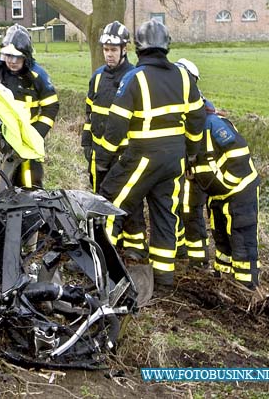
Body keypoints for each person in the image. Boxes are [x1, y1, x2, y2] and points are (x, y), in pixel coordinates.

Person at [98, 19, 205, 290]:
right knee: (166, 216)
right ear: (167, 46)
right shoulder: (183, 76)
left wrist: (104, 159)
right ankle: (164, 281)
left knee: (110, 202)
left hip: (143, 155)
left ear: (137, 48)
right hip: (175, 159)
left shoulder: (134, 77)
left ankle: (98, 265)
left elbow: (116, 124)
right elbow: (196, 119)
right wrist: (191, 153)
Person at [81, 21, 147, 258]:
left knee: (129, 200)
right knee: (100, 199)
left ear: (124, 49)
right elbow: (90, 113)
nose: (109, 54)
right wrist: (87, 142)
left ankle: (135, 247)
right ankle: (106, 245)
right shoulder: (97, 77)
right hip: (99, 150)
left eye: (113, 49)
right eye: (106, 49)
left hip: (125, 152)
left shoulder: (134, 77)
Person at [191, 99, 260, 286]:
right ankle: (223, 281)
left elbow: (238, 155)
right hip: (217, 195)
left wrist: (226, 184)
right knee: (221, 240)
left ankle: (246, 287)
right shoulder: (192, 129)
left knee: (241, 242)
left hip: (239, 192)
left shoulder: (213, 124)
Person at [0, 24, 59, 188]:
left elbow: (51, 107)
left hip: (27, 140)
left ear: (27, 56)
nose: (12, 61)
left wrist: (36, 133)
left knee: (30, 184)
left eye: (18, 57)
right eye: (9, 56)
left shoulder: (38, 76)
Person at [174, 59, 210, 268]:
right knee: (179, 208)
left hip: (194, 169)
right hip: (184, 165)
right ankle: (182, 250)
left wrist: (191, 162)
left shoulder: (197, 104)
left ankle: (198, 260)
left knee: (190, 209)